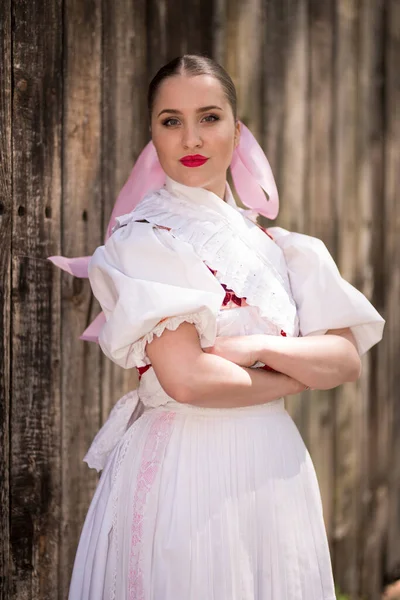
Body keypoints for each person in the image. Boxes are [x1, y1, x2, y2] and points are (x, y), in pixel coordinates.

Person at [49, 54, 385, 600]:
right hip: (186, 464)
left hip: (274, 465)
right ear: (152, 135)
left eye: (209, 117)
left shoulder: (286, 249)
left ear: (237, 129)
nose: (191, 137)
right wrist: (296, 372)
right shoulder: (144, 240)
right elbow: (188, 380)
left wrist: (252, 346)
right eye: (170, 120)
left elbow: (345, 361)